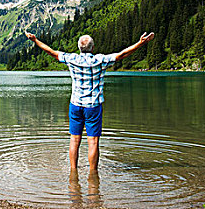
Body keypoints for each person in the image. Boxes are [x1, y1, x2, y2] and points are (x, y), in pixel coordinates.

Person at [24, 30, 154, 172]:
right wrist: (141, 43)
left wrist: (35, 40)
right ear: (92, 48)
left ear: (79, 48)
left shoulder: (72, 59)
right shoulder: (100, 60)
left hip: (75, 105)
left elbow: (51, 52)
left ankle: (73, 172)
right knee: (93, 141)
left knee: (74, 140)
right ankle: (93, 175)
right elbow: (122, 54)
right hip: (93, 106)